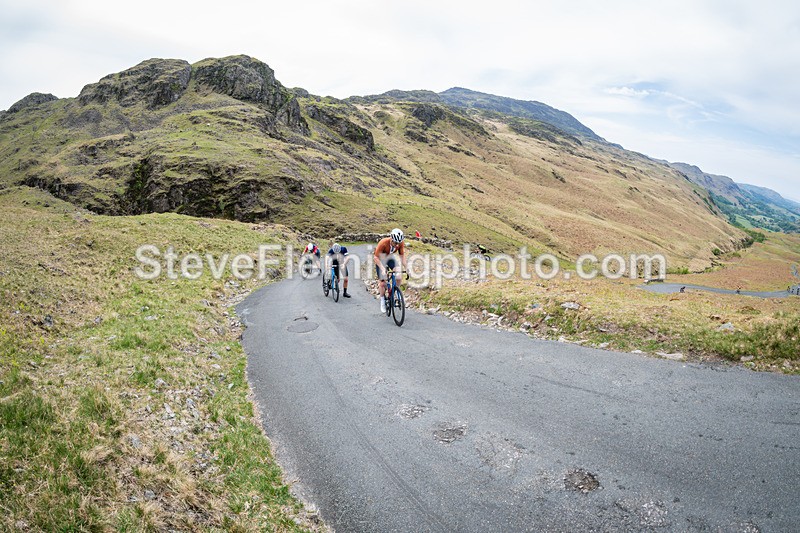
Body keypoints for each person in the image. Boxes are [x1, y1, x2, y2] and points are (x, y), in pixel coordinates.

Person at [373, 228, 408, 313]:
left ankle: (396, 291)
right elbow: (375, 257)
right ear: (391, 239)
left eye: (398, 243)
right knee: (382, 282)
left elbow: (402, 256)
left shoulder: (400, 243)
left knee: (398, 275)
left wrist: (407, 268)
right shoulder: (383, 243)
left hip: (390, 258)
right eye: (395, 243)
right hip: (380, 259)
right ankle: (382, 301)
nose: (397, 245)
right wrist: (382, 269)